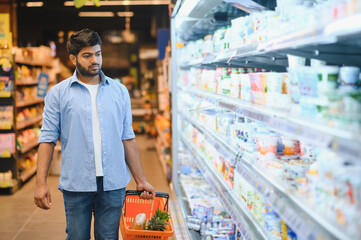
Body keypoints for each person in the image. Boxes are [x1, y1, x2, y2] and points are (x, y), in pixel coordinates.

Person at [33, 28, 155, 240]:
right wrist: (40, 182)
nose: (94, 60)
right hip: (76, 183)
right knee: (77, 236)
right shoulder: (58, 93)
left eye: (97, 54)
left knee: (108, 237)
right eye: (87, 55)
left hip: (113, 183)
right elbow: (47, 139)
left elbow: (127, 137)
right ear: (73, 59)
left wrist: (141, 179)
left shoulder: (119, 91)